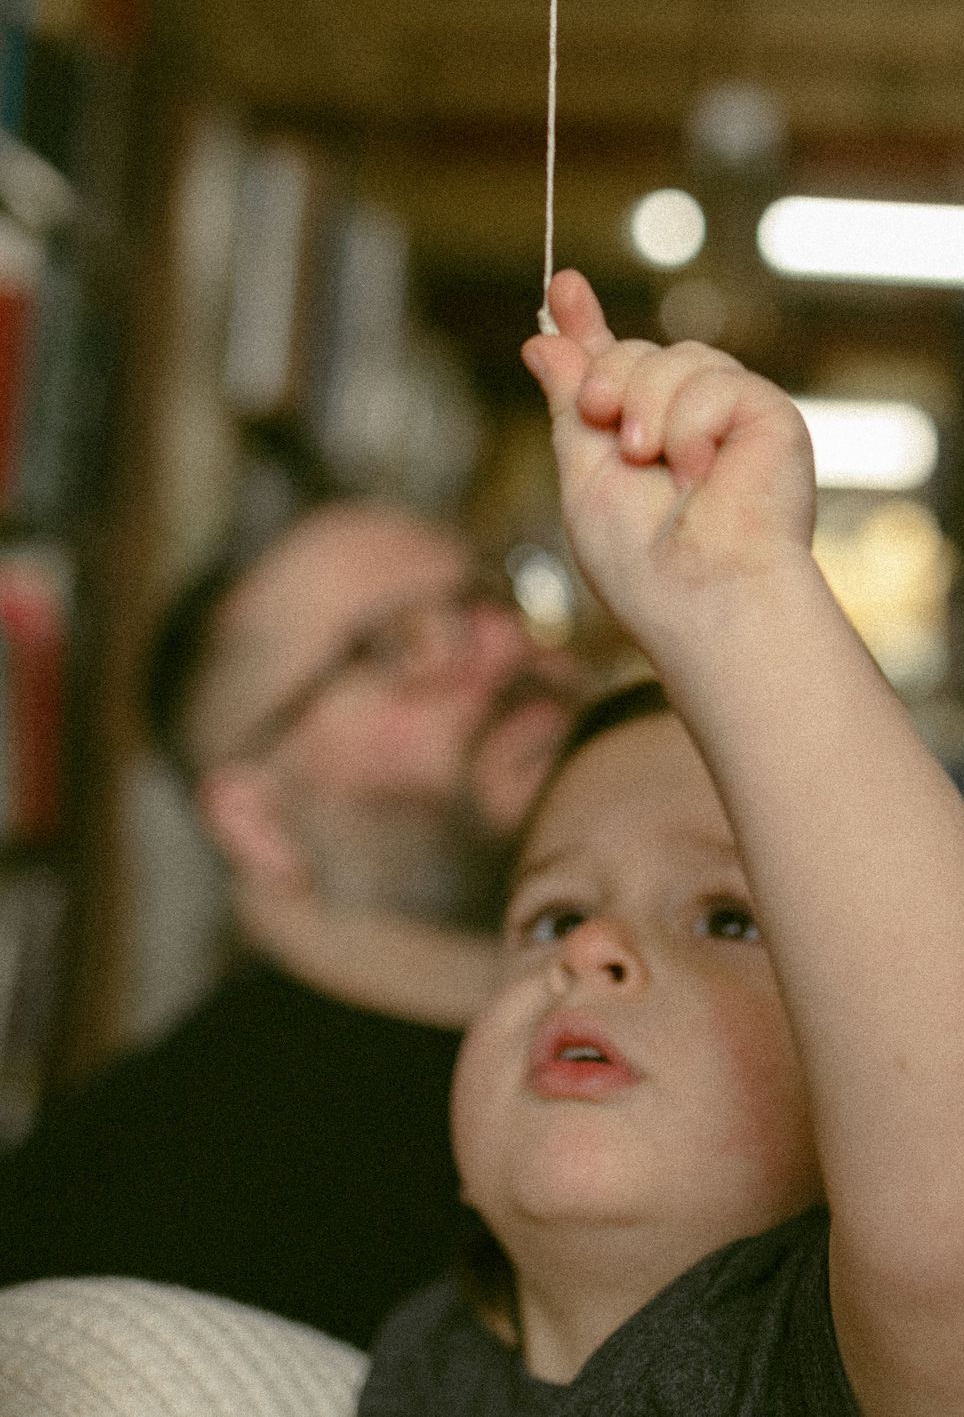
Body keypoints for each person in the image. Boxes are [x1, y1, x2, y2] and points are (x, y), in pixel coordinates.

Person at [361, 270, 964, 1415]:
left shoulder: (821, 1369)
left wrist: (740, 598)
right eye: (550, 916)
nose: (590, 949)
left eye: (728, 918)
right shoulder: (423, 1362)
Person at [0, 499, 582, 1349]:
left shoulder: (698, 1026)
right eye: (396, 645)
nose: (505, 648)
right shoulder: (121, 1230)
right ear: (256, 821)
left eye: (490, 601)